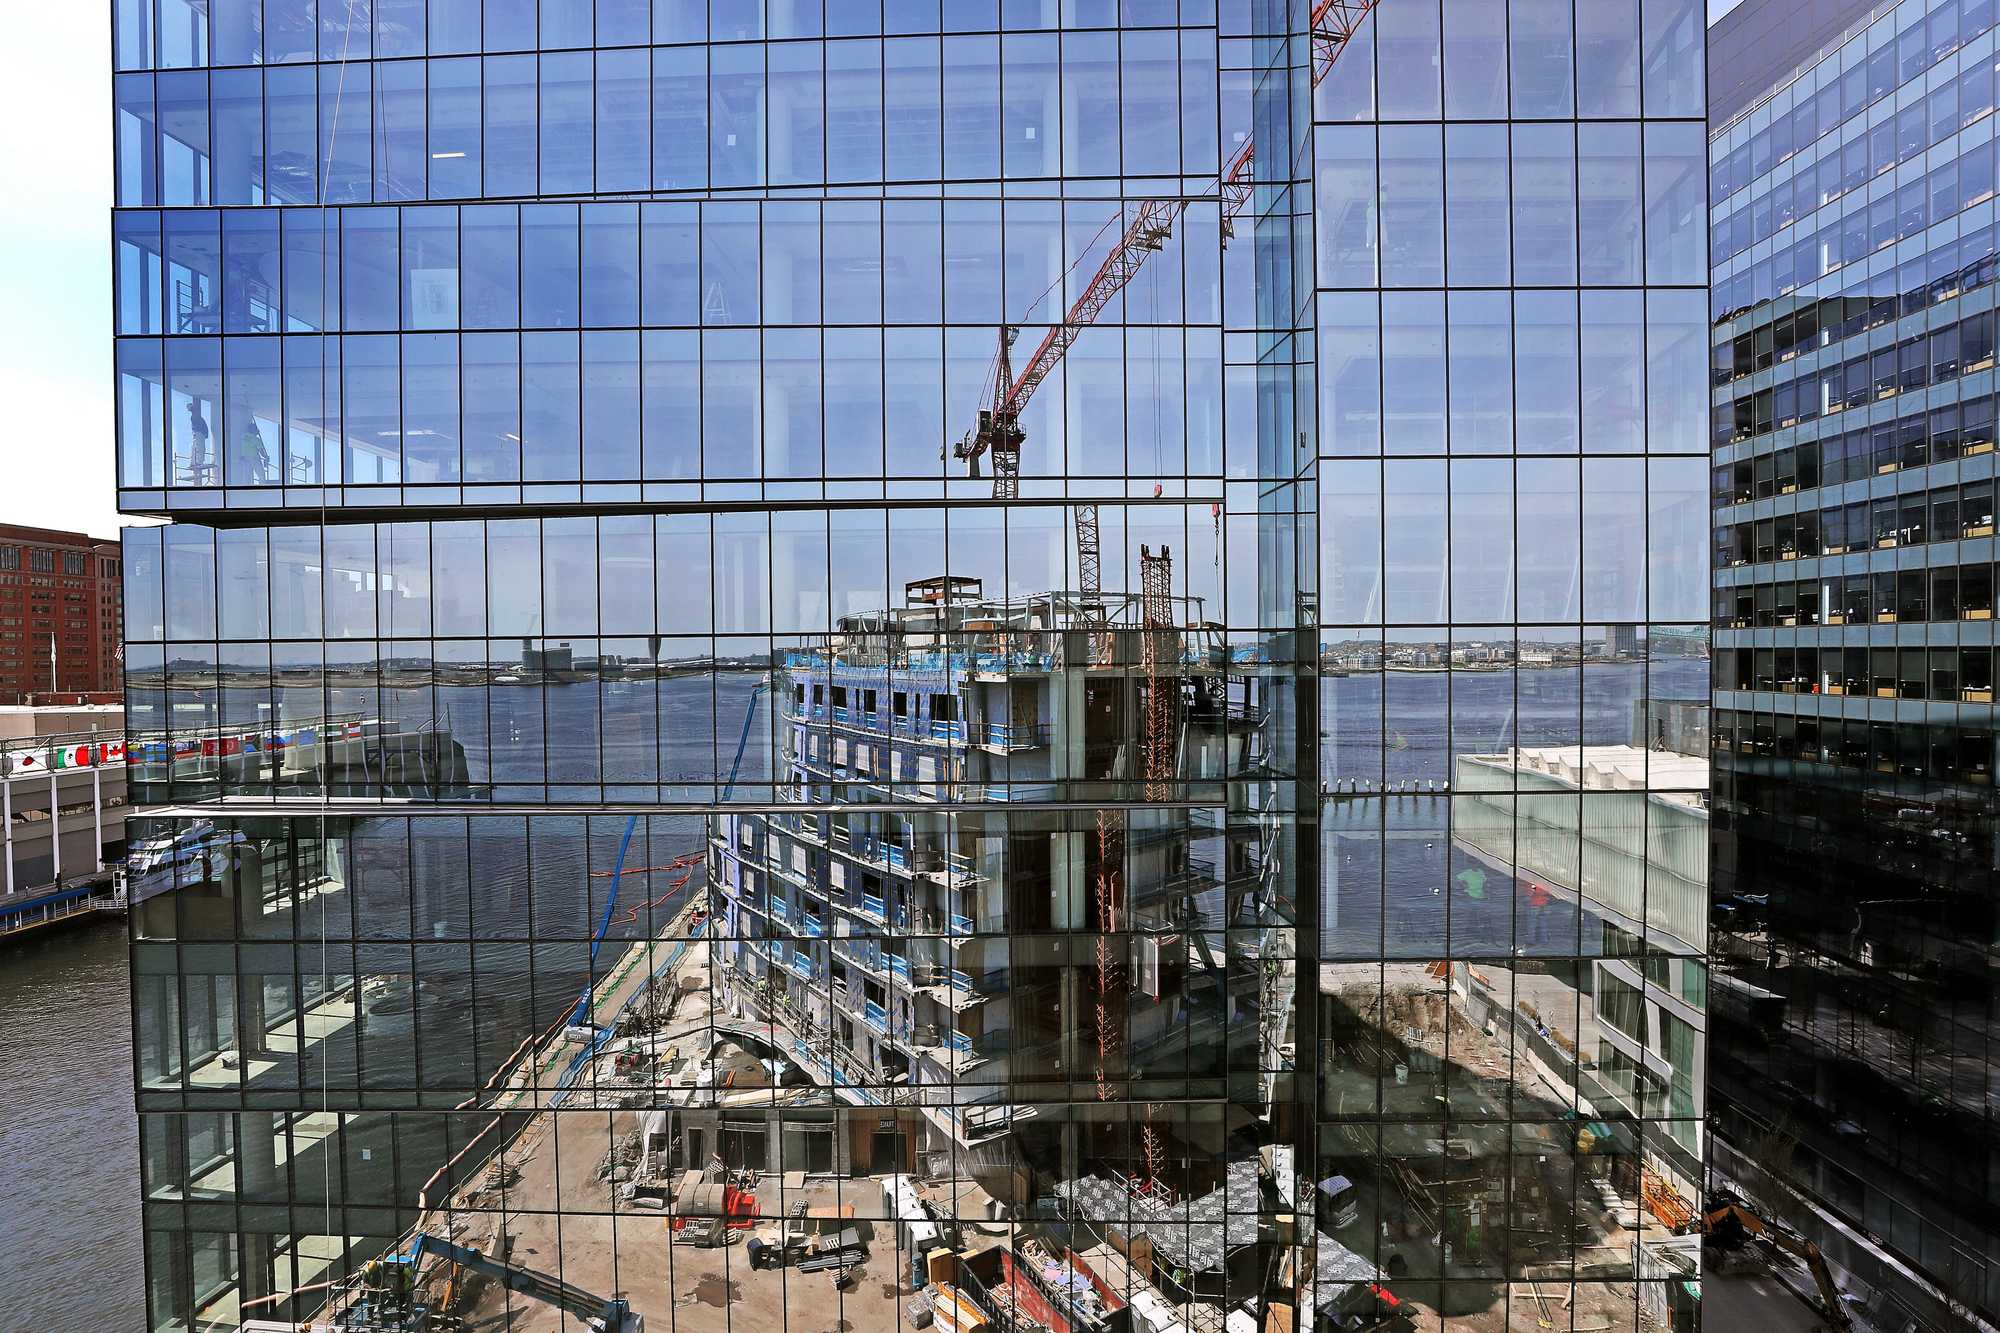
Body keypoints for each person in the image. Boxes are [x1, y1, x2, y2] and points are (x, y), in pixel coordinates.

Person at [184, 400, 212, 483]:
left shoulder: (195, 416)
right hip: (199, 433)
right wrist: (205, 433)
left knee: (195, 447)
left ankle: (194, 462)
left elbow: (199, 424)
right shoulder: (196, 415)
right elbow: (201, 425)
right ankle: (198, 462)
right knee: (199, 447)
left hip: (197, 433)